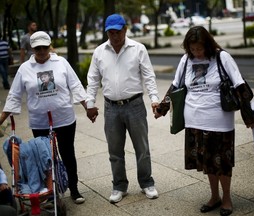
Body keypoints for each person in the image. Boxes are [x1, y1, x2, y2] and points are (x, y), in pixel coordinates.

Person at [154, 26, 254, 216]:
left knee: (222, 162)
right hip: (194, 120)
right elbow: (175, 86)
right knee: (208, 162)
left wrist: (249, 117)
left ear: (207, 44)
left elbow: (239, 84)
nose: (196, 52)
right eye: (192, 49)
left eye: (199, 48)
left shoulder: (221, 57)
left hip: (219, 121)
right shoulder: (186, 60)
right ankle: (214, 196)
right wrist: (162, 108)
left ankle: (226, 198)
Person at [0, 31, 87, 204]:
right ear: (32, 48)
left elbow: (75, 85)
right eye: (37, 48)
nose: (41, 51)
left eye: (44, 47)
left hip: (64, 119)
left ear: (49, 46)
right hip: (39, 121)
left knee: (68, 154)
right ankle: (48, 191)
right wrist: (2, 118)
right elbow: (14, 95)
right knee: (44, 157)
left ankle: (74, 189)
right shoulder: (25, 68)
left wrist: (88, 107)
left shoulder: (61, 62)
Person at [86, 13, 159, 203]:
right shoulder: (100, 52)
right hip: (111, 108)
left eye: (118, 32)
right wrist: (90, 104)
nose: (115, 36)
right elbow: (93, 80)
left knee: (142, 147)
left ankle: (146, 183)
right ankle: (119, 186)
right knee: (115, 150)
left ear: (125, 30)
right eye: (110, 33)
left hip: (134, 104)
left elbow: (148, 76)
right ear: (107, 33)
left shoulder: (138, 49)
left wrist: (154, 99)